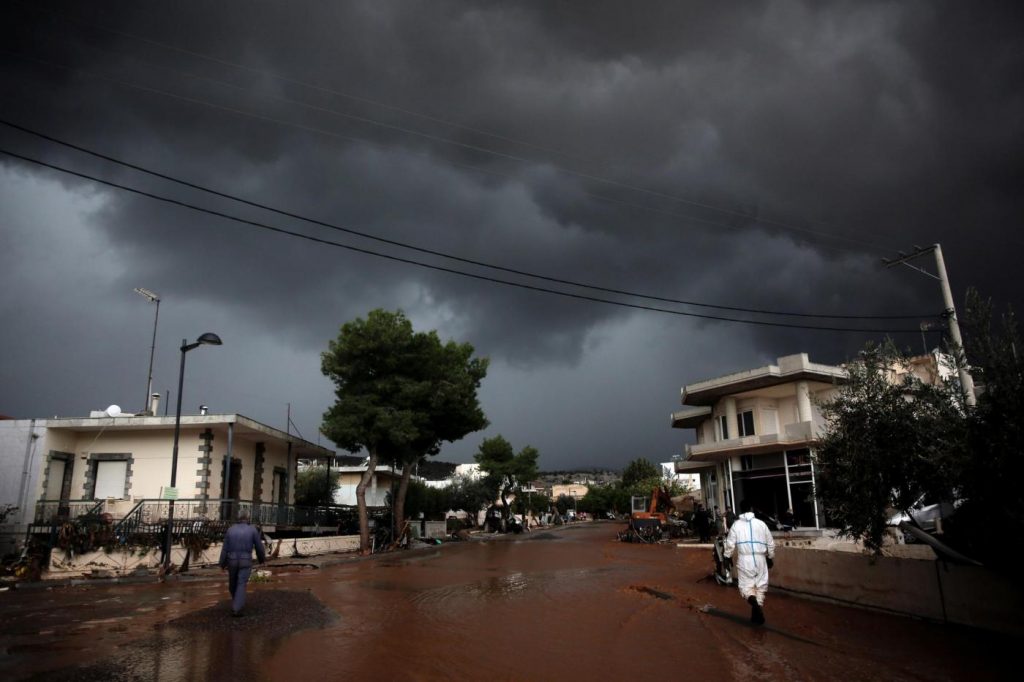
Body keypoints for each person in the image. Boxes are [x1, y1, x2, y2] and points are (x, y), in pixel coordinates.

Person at [723, 499, 776, 625]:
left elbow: (730, 543)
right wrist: (770, 557)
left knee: (746, 587)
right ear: (751, 509)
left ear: (740, 510)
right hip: (761, 559)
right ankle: (756, 613)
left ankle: (753, 605)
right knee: (761, 586)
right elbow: (770, 543)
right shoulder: (761, 524)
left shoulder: (736, 525)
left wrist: (727, 557)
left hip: (745, 559)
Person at [219, 510, 266, 616]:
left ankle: (237, 602)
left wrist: (222, 564)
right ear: (248, 518)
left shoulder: (230, 530)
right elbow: (259, 547)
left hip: (232, 561)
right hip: (245, 561)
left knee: (232, 583)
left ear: (238, 518)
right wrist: (262, 560)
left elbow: (225, 549)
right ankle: (237, 607)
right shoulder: (252, 530)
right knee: (241, 583)